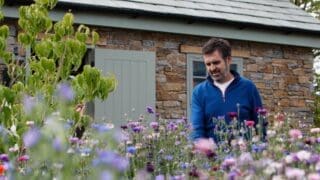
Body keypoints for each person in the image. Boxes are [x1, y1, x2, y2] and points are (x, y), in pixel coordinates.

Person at [190, 38, 264, 142]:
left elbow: (260, 127)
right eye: (208, 64)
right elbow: (197, 131)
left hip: (244, 156)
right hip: (212, 156)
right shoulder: (199, 92)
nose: (212, 68)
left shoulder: (248, 88)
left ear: (228, 60)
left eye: (216, 62)